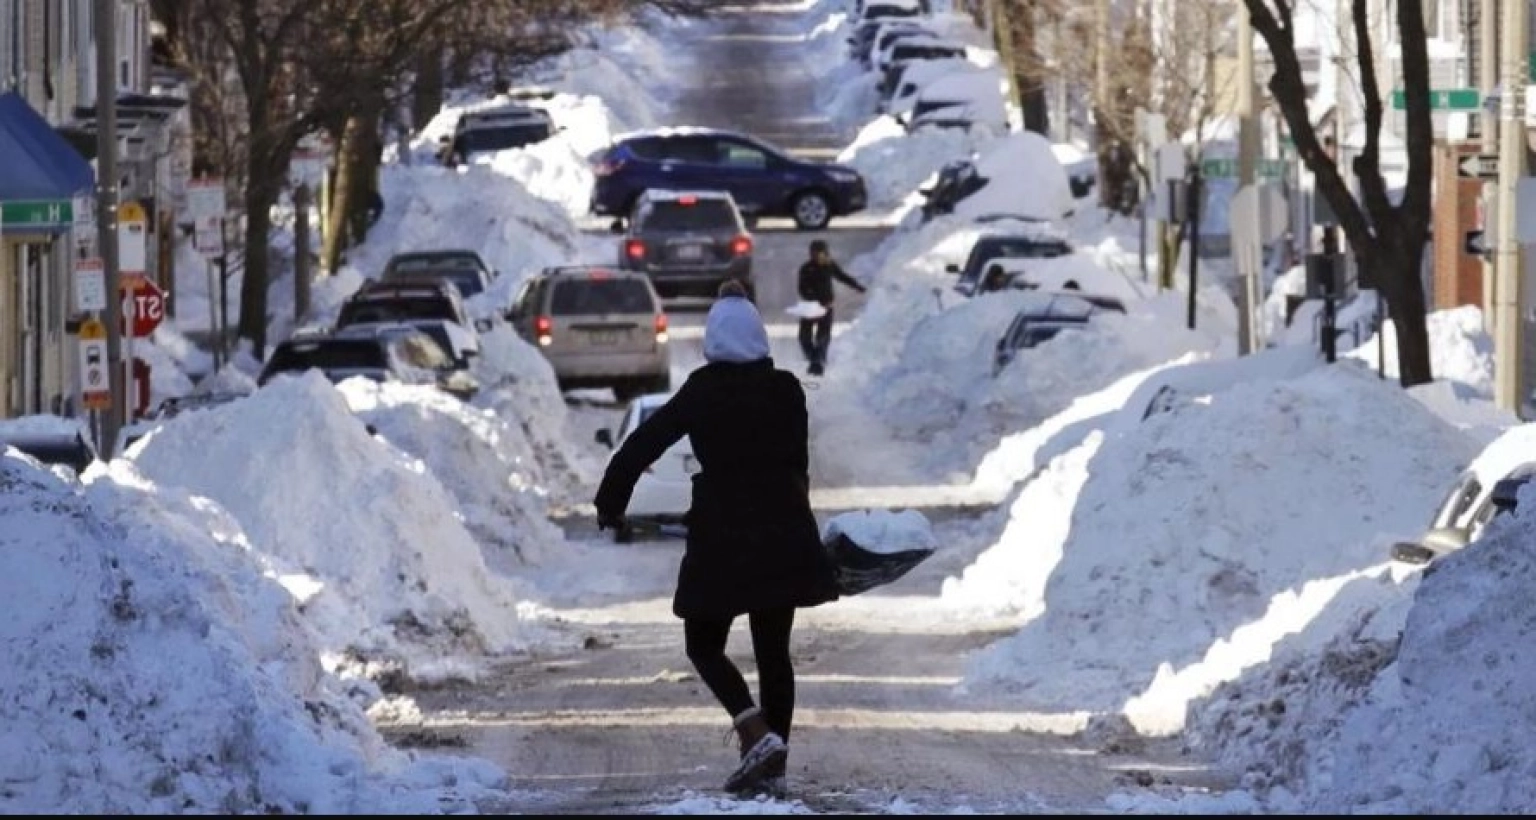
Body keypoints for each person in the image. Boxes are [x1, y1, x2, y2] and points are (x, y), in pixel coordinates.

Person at [594, 283, 841, 797]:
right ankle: (773, 760)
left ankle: (754, 730)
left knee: (703, 642)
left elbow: (644, 442)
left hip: (723, 535)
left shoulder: (703, 390)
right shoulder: (787, 389)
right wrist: (799, 520)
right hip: (783, 528)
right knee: (774, 650)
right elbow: (799, 462)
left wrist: (610, 501)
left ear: (713, 340)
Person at [796, 239, 866, 376]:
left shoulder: (829, 266)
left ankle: (819, 362)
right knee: (804, 338)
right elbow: (802, 289)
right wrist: (813, 299)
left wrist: (857, 286)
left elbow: (842, 277)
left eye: (821, 253)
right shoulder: (806, 268)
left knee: (823, 337)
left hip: (826, 306)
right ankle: (813, 358)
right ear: (811, 254)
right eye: (815, 253)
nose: (818, 256)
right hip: (810, 306)